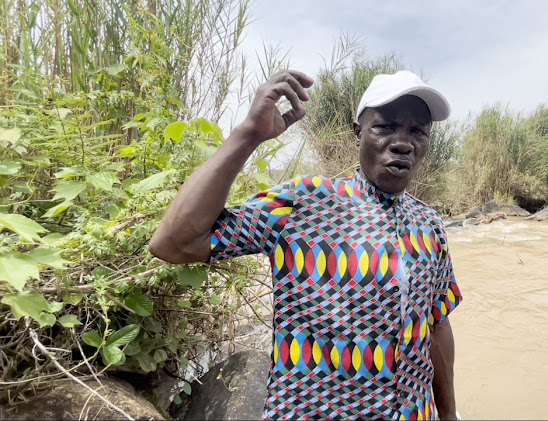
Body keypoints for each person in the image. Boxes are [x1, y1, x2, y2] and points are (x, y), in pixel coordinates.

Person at [149, 69, 462, 420]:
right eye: (385, 126)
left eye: (417, 131)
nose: (403, 141)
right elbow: (174, 243)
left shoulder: (429, 225)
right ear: (357, 132)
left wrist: (449, 415)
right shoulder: (304, 204)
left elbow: (437, 324)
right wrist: (248, 135)